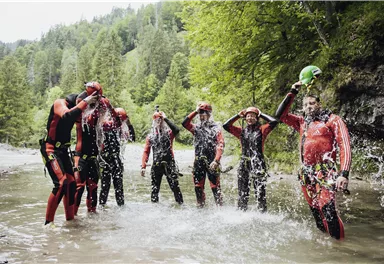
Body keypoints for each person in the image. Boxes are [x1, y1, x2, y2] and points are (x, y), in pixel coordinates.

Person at [275, 65, 351, 240]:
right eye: (305, 104)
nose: (309, 106)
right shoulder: (301, 122)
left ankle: (340, 247)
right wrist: (293, 91)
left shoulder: (333, 120)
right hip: (306, 173)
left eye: (312, 103)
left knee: (328, 210)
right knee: (317, 214)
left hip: (326, 172)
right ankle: (327, 245)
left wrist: (344, 173)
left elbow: (344, 146)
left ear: (319, 104)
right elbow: (280, 115)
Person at [39, 92, 98, 226]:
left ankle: (70, 220)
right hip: (51, 149)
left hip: (64, 151)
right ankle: (48, 223)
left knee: (71, 183)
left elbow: (84, 118)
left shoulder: (77, 111)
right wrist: (86, 101)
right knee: (61, 183)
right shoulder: (59, 103)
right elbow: (67, 116)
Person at [73, 81, 117, 214]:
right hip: (80, 156)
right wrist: (89, 99)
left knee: (93, 188)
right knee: (79, 187)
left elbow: (117, 122)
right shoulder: (81, 116)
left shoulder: (99, 120)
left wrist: (109, 106)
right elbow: (73, 113)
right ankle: (72, 218)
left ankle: (91, 218)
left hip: (94, 158)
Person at [223, 107, 277, 212]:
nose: (250, 118)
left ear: (257, 118)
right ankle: (241, 214)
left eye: (252, 116)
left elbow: (274, 122)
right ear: (245, 118)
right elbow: (226, 126)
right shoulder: (241, 131)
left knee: (260, 193)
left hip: (258, 163)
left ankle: (262, 215)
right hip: (244, 164)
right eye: (248, 116)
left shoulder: (262, 129)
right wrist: (238, 115)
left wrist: (261, 114)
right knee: (242, 193)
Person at [182, 102, 225, 207]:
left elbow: (221, 144)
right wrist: (195, 112)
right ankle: (200, 207)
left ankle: (220, 208)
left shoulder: (216, 128)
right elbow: (185, 123)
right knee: (198, 187)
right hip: (198, 162)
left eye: (203, 113)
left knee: (215, 187)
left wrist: (216, 160)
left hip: (212, 162)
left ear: (209, 114)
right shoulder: (196, 128)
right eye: (200, 114)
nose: (201, 116)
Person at [141, 111, 183, 204]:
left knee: (175, 188)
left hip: (169, 164)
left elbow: (177, 130)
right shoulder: (151, 136)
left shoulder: (169, 134)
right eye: (157, 121)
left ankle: (181, 206)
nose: (159, 122)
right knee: (154, 191)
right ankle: (155, 210)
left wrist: (166, 118)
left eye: (160, 120)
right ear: (154, 122)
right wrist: (143, 166)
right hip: (156, 165)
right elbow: (146, 151)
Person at [99, 107, 135, 207]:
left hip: (114, 160)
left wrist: (128, 123)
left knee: (115, 186)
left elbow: (132, 137)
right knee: (108, 186)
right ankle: (105, 206)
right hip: (107, 159)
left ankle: (114, 206)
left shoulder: (119, 127)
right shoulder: (107, 125)